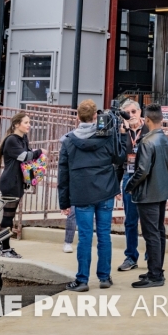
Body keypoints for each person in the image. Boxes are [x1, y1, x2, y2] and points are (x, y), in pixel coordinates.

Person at [58, 99, 127, 292]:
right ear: (96, 116)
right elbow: (120, 158)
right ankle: (104, 277)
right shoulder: (106, 137)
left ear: (78, 117)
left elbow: (63, 174)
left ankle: (82, 280)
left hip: (81, 194)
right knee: (104, 235)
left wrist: (64, 201)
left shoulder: (69, 141)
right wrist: (121, 136)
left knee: (85, 237)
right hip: (105, 192)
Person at [126, 105, 168, 288]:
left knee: (151, 234)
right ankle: (156, 270)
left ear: (146, 120)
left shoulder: (147, 142)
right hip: (161, 191)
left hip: (148, 194)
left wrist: (130, 186)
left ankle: (155, 275)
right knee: (159, 232)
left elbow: (142, 170)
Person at [0, 113, 44, 258]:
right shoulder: (11, 140)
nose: (29, 125)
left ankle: (5, 248)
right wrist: (40, 152)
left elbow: (28, 155)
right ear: (17, 124)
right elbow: (24, 156)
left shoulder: (23, 139)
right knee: (8, 216)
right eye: (26, 122)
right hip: (10, 182)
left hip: (18, 182)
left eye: (29, 122)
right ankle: (4, 248)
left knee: (10, 216)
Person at [117, 99, 146, 272]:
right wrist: (122, 134)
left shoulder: (149, 128)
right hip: (128, 176)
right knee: (130, 220)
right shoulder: (121, 132)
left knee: (149, 219)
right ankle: (131, 256)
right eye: (128, 113)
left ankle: (152, 254)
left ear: (140, 112)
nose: (132, 115)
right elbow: (116, 159)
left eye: (134, 111)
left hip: (147, 178)